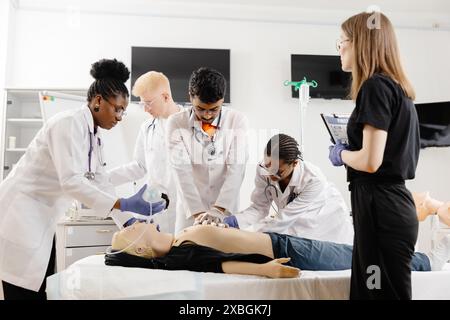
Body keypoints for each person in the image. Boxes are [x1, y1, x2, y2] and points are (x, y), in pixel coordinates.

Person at [0, 59, 165, 300]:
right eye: (118, 108)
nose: (120, 117)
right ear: (98, 100)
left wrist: (129, 222)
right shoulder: (67, 124)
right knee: (22, 288)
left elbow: (101, 183)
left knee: (38, 284)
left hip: (40, 218)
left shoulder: (93, 137)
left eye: (123, 111)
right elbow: (71, 181)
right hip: (20, 215)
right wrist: (123, 203)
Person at [329, 12, 420, 299]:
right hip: (389, 207)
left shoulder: (375, 87)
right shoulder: (397, 89)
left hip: (381, 209)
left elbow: (370, 160)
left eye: (342, 41)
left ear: (361, 43)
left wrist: (341, 154)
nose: (339, 48)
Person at [105, 221, 450, 279]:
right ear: (142, 250)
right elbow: (221, 267)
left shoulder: (180, 239)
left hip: (285, 241)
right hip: (290, 251)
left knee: (358, 251)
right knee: (360, 257)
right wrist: (266, 270)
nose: (139, 222)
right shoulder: (179, 253)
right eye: (134, 229)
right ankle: (431, 263)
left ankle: (427, 260)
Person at [223, 134, 353, 245]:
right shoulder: (262, 169)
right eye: (268, 165)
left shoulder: (313, 179)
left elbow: (284, 218)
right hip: (290, 219)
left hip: (325, 221)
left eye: (278, 171)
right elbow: (259, 208)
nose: (270, 174)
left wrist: (247, 236)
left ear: (295, 163)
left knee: (301, 245)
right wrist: (235, 221)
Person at [166, 67, 249, 233]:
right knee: (186, 253)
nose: (207, 115)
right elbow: (181, 171)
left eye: (214, 109)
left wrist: (218, 209)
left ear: (222, 100)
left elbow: (237, 168)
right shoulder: (176, 123)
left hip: (224, 209)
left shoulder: (237, 120)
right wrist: (199, 214)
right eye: (200, 108)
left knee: (224, 254)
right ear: (190, 96)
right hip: (191, 212)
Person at [107, 71, 182, 231]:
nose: (146, 109)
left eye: (148, 103)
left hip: (183, 210)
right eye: (142, 104)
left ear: (165, 97)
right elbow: (139, 166)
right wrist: (105, 177)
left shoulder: (191, 124)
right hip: (155, 207)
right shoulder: (147, 128)